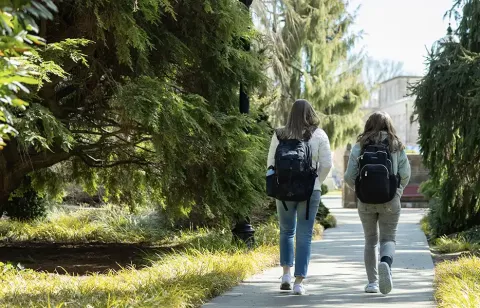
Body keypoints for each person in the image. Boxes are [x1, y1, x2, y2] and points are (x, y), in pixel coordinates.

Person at [267, 99, 332, 295]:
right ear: (311, 113)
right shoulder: (319, 134)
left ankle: (286, 274)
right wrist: (315, 182)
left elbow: (270, 164)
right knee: (304, 235)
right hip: (309, 191)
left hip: (284, 190)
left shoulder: (279, 134)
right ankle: (298, 283)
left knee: (286, 231)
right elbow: (327, 164)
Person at [344, 111, 411, 295]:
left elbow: (349, 176)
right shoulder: (396, 145)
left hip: (365, 202)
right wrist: (397, 191)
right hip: (390, 200)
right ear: (388, 125)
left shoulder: (360, 146)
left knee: (370, 241)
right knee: (388, 238)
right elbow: (405, 174)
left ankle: (372, 283)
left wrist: (360, 191)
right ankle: (385, 263)